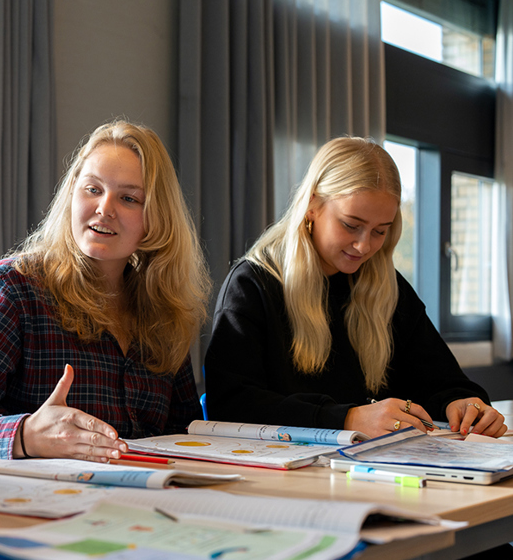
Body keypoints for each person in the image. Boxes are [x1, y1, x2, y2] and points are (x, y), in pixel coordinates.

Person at [0, 120, 210, 470]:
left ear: (156, 218)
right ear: (72, 194)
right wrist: (26, 436)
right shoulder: (11, 289)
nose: (105, 208)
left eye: (129, 198)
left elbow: (184, 438)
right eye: (92, 189)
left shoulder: (162, 311)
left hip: (143, 507)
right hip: (33, 510)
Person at [204, 136, 507, 439]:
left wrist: (465, 404)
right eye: (351, 225)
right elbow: (230, 404)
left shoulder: (386, 287)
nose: (364, 246)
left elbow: (444, 382)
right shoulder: (253, 284)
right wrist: (346, 419)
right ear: (312, 206)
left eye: (380, 231)